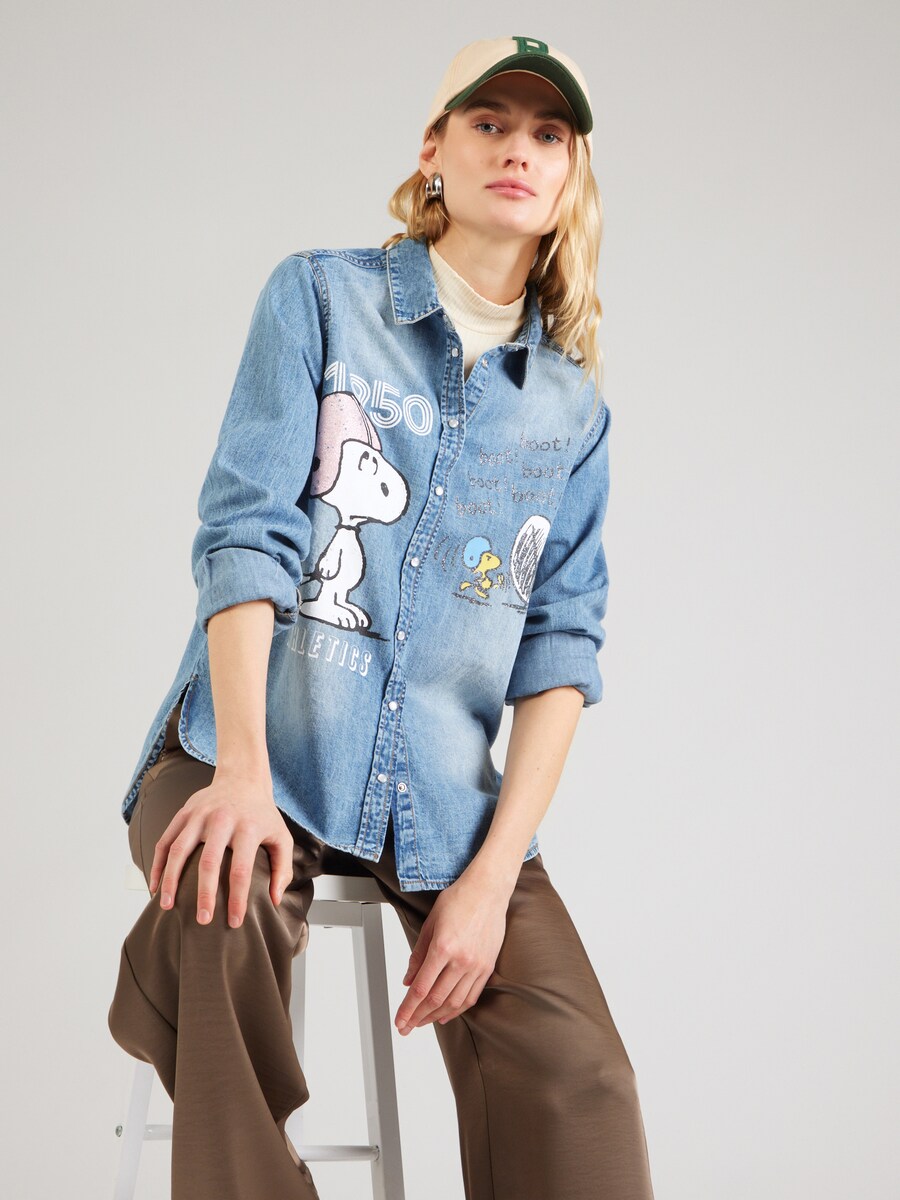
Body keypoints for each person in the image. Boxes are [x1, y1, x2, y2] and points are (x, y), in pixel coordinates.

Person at [108, 34, 656, 1200]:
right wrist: (242, 774)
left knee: (584, 1082)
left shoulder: (571, 411)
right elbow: (246, 537)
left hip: (445, 804)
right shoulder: (321, 298)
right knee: (222, 902)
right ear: (434, 150)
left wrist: (491, 880)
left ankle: (160, 985)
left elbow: (561, 655)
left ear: (571, 173)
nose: (518, 149)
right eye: (489, 123)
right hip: (251, 748)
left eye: (547, 133)